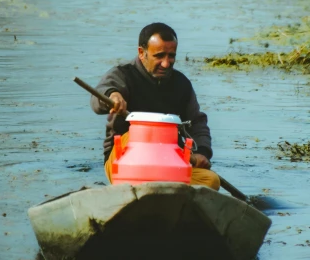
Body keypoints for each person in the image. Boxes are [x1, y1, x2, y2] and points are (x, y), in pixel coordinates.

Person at [90, 22, 220, 190]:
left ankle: (167, 192)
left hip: (169, 162)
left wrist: (202, 152)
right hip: (125, 159)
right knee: (139, 137)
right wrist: (113, 96)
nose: (166, 63)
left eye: (171, 56)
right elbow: (97, 98)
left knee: (211, 182)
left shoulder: (181, 84)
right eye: (159, 56)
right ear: (141, 53)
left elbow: (196, 122)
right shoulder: (123, 75)